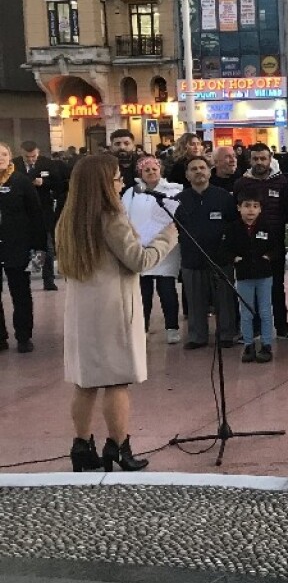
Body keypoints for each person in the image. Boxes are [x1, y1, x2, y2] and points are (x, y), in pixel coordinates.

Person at [58, 153, 177, 472]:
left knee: (85, 382)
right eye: (116, 178)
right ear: (102, 183)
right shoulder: (111, 215)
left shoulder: (70, 216)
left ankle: (82, 447)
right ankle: (119, 447)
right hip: (112, 308)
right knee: (117, 381)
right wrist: (168, 236)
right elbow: (138, 260)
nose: (122, 182)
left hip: (83, 309)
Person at [234, 143, 288, 340]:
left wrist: (274, 227)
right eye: (255, 159)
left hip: (274, 243)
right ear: (249, 160)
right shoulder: (241, 184)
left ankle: (282, 326)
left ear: (270, 159)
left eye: (263, 158)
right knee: (249, 288)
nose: (259, 162)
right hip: (247, 244)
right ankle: (253, 328)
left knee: (277, 287)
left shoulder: (281, 182)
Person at [174, 156, 237, 350]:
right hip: (192, 259)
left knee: (224, 300)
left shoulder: (224, 197)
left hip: (220, 259)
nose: (199, 171)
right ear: (187, 175)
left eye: (202, 168)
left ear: (210, 171)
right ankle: (197, 336)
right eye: (193, 169)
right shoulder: (178, 200)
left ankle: (227, 334)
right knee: (194, 300)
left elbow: (233, 225)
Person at [122, 154, 183, 344]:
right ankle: (143, 327)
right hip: (140, 248)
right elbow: (124, 216)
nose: (150, 172)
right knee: (143, 292)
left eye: (154, 169)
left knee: (167, 290)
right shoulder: (132, 192)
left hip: (165, 248)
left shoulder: (173, 190)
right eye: (146, 170)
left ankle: (172, 328)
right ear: (140, 172)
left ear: (160, 170)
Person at [0, 142, 44, 354]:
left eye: (4, 154)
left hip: (17, 245)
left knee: (21, 294)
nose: (0, 157)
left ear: (10, 157)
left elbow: (36, 215)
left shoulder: (21, 182)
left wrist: (39, 247)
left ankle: (24, 336)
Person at [230, 191, 280, 363]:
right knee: (246, 312)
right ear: (239, 208)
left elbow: (277, 248)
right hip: (244, 276)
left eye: (255, 206)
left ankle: (266, 344)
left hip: (264, 276)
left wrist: (268, 257)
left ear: (260, 209)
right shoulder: (233, 228)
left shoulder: (267, 227)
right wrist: (233, 258)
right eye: (246, 206)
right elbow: (224, 249)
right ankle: (248, 344)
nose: (251, 210)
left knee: (265, 311)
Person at [18, 140, 63, 290]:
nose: (31, 160)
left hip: (43, 210)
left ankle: (48, 279)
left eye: (33, 156)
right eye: (27, 157)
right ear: (21, 153)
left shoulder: (47, 164)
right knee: (23, 245)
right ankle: (23, 278)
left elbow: (59, 184)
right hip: (22, 212)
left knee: (46, 246)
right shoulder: (15, 165)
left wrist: (43, 183)